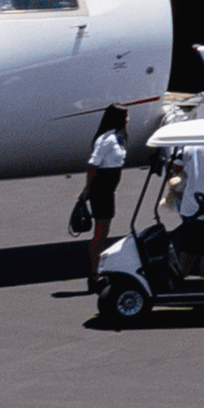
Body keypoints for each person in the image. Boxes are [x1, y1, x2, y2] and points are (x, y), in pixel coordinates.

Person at [80, 104, 128, 283]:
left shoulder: (118, 137)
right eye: (126, 116)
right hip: (102, 189)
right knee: (100, 234)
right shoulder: (106, 139)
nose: (128, 119)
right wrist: (87, 189)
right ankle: (95, 273)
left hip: (109, 189)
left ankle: (98, 269)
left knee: (104, 232)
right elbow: (93, 165)